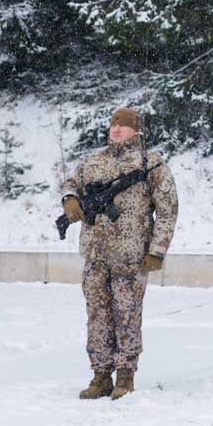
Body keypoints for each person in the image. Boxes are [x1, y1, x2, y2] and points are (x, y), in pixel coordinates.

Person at [60, 106, 178, 400]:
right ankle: (100, 375)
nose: (116, 129)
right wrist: (70, 200)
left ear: (136, 130)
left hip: (131, 256)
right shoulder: (93, 160)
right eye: (113, 124)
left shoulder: (151, 163)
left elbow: (167, 211)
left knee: (126, 316)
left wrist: (157, 251)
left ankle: (125, 375)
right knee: (97, 316)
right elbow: (71, 182)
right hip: (96, 255)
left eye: (123, 126)